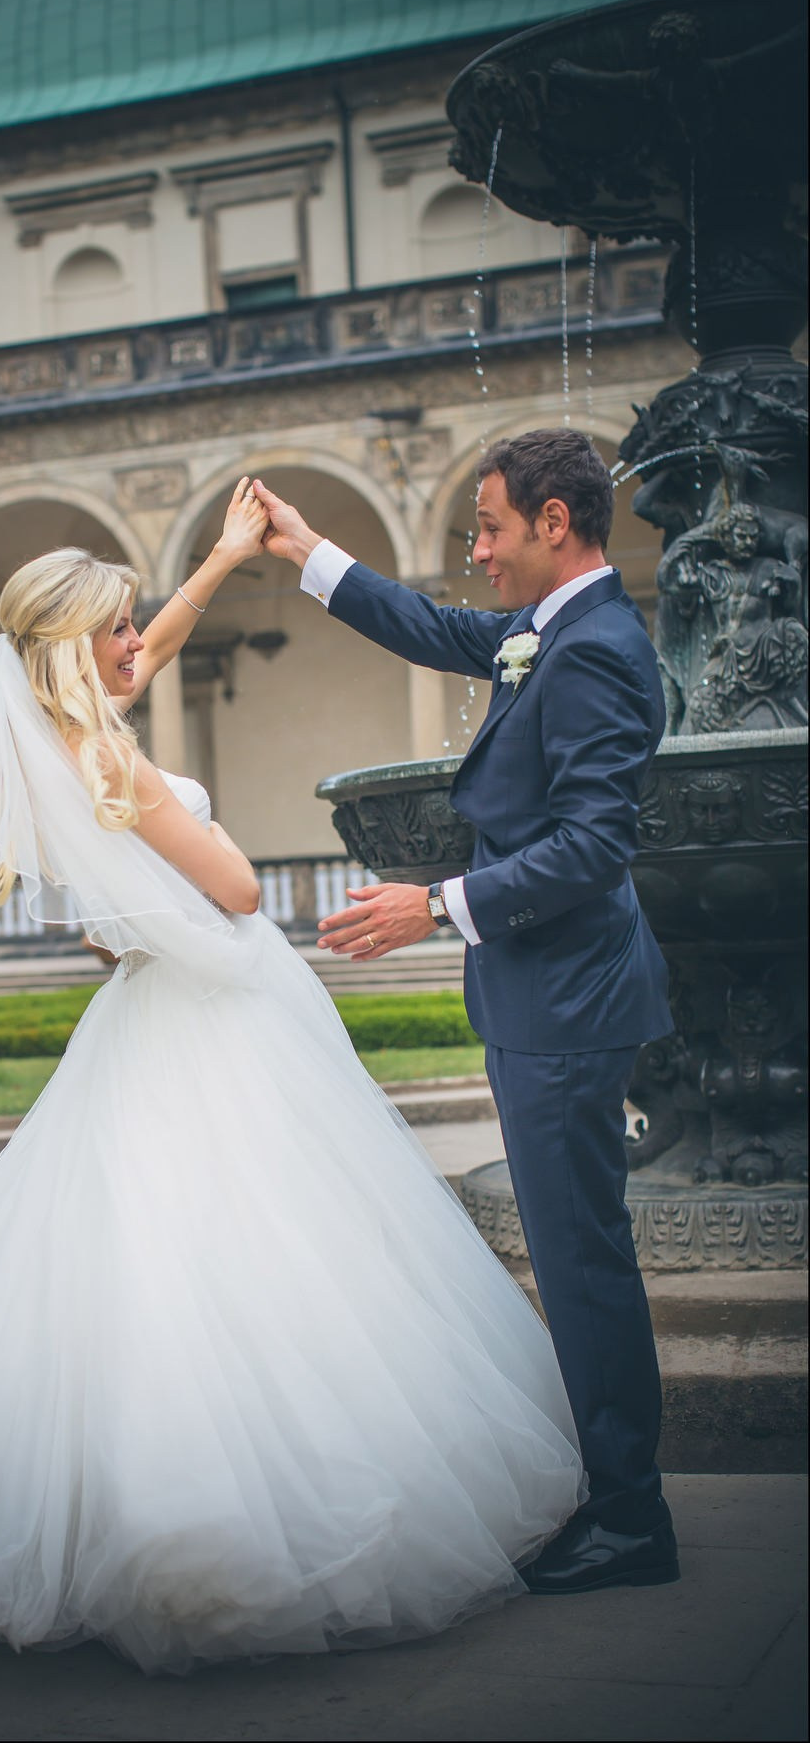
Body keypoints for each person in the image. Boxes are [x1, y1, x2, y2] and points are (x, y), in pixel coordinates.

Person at [0, 480, 585, 1676]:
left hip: (149, 1017)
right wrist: (201, 850)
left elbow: (151, 657)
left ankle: (155, 1507)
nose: (142, 643)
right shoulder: (111, 767)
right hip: (210, 1017)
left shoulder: (56, 731)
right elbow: (237, 891)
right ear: (79, 653)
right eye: (120, 630)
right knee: (242, 1247)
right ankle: (216, 1518)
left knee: (149, 1250)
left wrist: (229, 556)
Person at [253, 429, 680, 1596]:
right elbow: (438, 631)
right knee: (574, 1249)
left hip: (570, 998)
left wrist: (434, 903)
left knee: (582, 1258)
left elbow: (594, 846)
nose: (477, 551)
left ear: (556, 522)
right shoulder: (555, 628)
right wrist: (308, 551)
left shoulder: (593, 651)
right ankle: (618, 1497)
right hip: (545, 991)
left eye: (490, 526)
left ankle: (633, 1516)